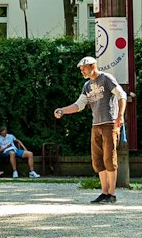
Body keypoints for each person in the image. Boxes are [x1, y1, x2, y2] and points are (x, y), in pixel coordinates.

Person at [54, 55, 126, 204]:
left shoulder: (106, 78)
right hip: (96, 125)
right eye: (81, 69)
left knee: (109, 158)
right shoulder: (87, 86)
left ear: (93, 66)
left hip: (109, 124)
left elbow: (121, 95)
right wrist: (62, 110)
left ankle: (111, 194)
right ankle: (104, 192)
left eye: (84, 68)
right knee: (98, 160)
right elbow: (79, 105)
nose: (82, 71)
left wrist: (120, 115)